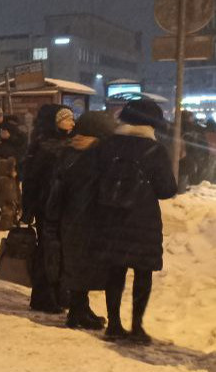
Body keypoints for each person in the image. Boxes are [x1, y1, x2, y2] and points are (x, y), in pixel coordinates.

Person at [88, 100, 177, 343]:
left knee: (114, 270)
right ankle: (137, 326)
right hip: (142, 220)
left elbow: (94, 177)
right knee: (142, 272)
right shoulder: (154, 150)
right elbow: (166, 189)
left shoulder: (107, 144)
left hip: (110, 216)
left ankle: (114, 324)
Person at [45, 111, 117, 330]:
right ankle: (78, 312)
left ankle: (79, 309)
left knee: (76, 263)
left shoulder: (70, 151)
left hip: (70, 216)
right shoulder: (98, 154)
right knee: (85, 263)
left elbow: (57, 187)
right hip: (91, 216)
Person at [22, 104, 75, 313]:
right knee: (47, 251)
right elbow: (32, 179)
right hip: (47, 206)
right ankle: (42, 297)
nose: (72, 122)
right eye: (66, 119)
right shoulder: (44, 146)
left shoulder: (67, 142)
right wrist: (29, 208)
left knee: (60, 251)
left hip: (62, 206)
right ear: (55, 122)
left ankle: (60, 293)